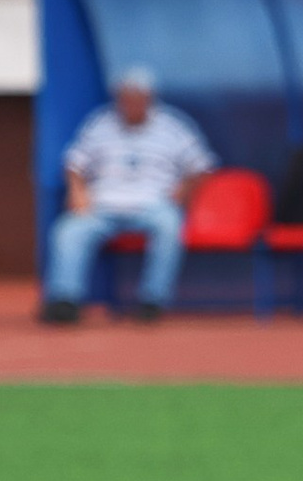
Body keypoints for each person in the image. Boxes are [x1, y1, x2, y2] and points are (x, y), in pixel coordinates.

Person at [39, 66, 216, 325]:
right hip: (102, 205)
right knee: (69, 230)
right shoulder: (100, 124)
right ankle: (65, 300)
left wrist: (183, 190)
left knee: (170, 226)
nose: (130, 104)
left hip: (153, 205)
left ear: (150, 98)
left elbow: (202, 166)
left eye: (137, 98)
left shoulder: (173, 126)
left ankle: (152, 301)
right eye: (125, 98)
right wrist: (78, 191)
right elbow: (74, 163)